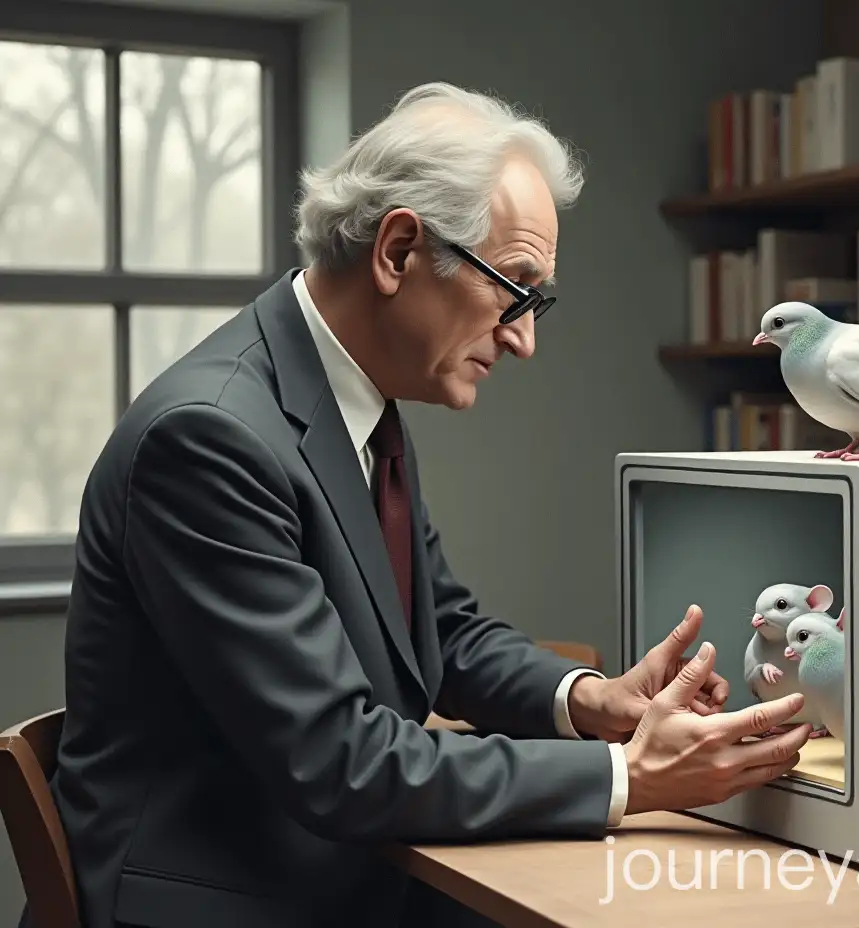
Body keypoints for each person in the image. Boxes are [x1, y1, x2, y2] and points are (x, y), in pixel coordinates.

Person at [35, 82, 811, 928]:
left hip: (339, 869)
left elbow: (441, 632)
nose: (524, 338)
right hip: (229, 903)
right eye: (515, 288)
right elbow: (343, 764)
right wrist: (630, 776)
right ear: (399, 251)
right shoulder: (208, 439)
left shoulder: (354, 401)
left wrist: (594, 701)